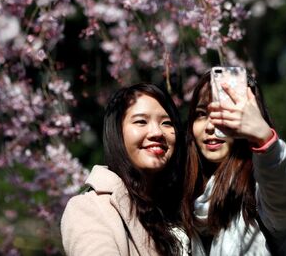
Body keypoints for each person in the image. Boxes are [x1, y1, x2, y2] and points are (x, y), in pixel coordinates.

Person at [181, 71, 286, 255]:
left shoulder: (262, 186)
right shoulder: (186, 192)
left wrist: (264, 139)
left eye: (225, 113)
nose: (210, 126)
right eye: (201, 114)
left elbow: (280, 192)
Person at [61, 83, 190, 256]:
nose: (157, 132)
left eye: (166, 123)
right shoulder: (90, 208)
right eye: (141, 121)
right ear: (117, 133)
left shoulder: (185, 205)